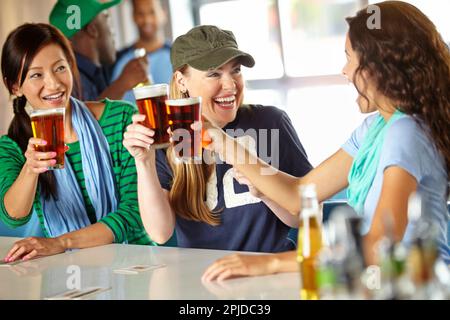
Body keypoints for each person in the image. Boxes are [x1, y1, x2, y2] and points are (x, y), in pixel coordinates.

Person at [202, 1, 450, 281]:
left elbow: (380, 248)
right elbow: (299, 195)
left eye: (349, 58)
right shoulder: (375, 127)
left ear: (376, 67)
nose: (344, 72)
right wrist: (220, 140)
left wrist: (270, 264)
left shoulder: (407, 132)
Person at [123, 25, 313, 252]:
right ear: (181, 81)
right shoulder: (167, 137)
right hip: (206, 278)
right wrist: (143, 161)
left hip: (269, 270)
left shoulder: (269, 122)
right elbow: (160, 233)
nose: (231, 84)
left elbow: (305, 216)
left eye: (236, 70)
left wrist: (265, 192)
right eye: (214, 73)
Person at [0, 23, 159, 263]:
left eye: (60, 68)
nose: (53, 84)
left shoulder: (120, 120)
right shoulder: (12, 147)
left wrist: (61, 243)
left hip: (137, 266)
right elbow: (14, 216)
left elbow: (133, 214)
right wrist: (30, 170)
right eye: (36, 75)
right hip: (68, 274)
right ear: (15, 86)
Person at [49, 0, 148, 101]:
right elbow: (84, 115)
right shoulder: (70, 80)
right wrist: (121, 85)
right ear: (92, 30)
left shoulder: (97, 70)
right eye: (107, 19)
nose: (113, 32)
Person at [111, 0, 172, 103]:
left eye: (152, 12)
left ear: (163, 14)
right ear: (133, 16)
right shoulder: (118, 60)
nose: (146, 20)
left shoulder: (179, 56)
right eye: (140, 13)